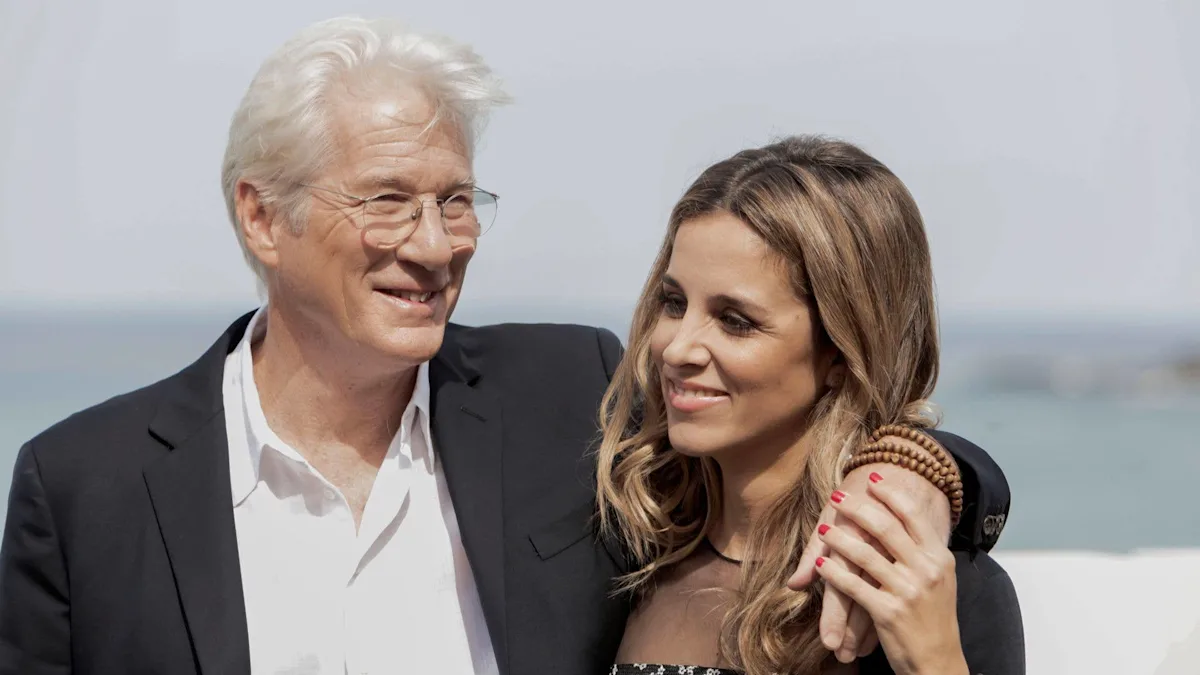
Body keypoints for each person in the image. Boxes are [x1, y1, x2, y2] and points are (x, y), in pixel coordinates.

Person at [0, 17, 1013, 675]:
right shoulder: (84, 487)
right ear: (264, 218)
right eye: (390, 200)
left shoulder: (563, 395)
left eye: (455, 200)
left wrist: (921, 466)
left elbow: (814, 433)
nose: (436, 246)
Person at [598, 136, 1024, 675]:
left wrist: (932, 660)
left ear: (842, 353)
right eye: (674, 303)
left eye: (735, 320)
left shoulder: (930, 590)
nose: (678, 348)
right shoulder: (623, 560)